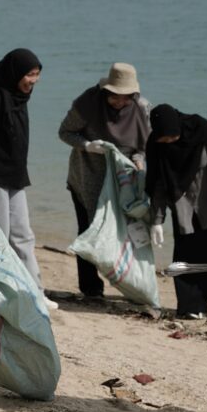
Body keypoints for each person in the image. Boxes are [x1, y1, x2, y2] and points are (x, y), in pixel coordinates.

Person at [0, 49, 58, 310]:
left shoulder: (20, 97)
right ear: (15, 73)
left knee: (23, 236)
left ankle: (35, 292)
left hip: (15, 176)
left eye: (37, 74)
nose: (33, 80)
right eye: (30, 74)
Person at [58, 62, 150, 299]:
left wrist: (139, 161)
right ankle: (91, 288)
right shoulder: (87, 104)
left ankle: (129, 281)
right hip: (87, 176)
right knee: (89, 229)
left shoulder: (141, 108)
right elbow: (65, 132)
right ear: (106, 91)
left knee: (126, 231)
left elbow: (144, 146)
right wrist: (87, 145)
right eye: (114, 96)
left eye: (125, 97)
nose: (119, 102)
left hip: (124, 180)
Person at [145, 104, 207, 319]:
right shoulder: (157, 146)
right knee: (188, 256)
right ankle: (191, 306)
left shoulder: (203, 132)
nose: (169, 143)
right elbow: (157, 184)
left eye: (171, 137)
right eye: (164, 139)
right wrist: (157, 220)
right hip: (184, 208)